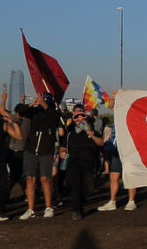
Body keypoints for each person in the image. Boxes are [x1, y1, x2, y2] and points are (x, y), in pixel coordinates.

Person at [17, 91, 61, 219]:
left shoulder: (53, 112)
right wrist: (31, 104)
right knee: (30, 178)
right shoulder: (34, 112)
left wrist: (45, 104)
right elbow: (20, 111)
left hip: (46, 150)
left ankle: (48, 207)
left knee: (45, 178)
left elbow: (54, 117)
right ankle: (30, 209)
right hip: (30, 149)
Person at [59, 104, 106, 220]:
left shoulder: (92, 130)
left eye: (82, 116)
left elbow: (101, 143)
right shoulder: (70, 132)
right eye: (76, 117)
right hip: (73, 162)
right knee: (75, 187)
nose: (80, 119)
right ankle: (76, 210)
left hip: (89, 163)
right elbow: (63, 147)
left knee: (89, 188)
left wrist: (92, 135)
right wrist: (62, 152)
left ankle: (81, 203)